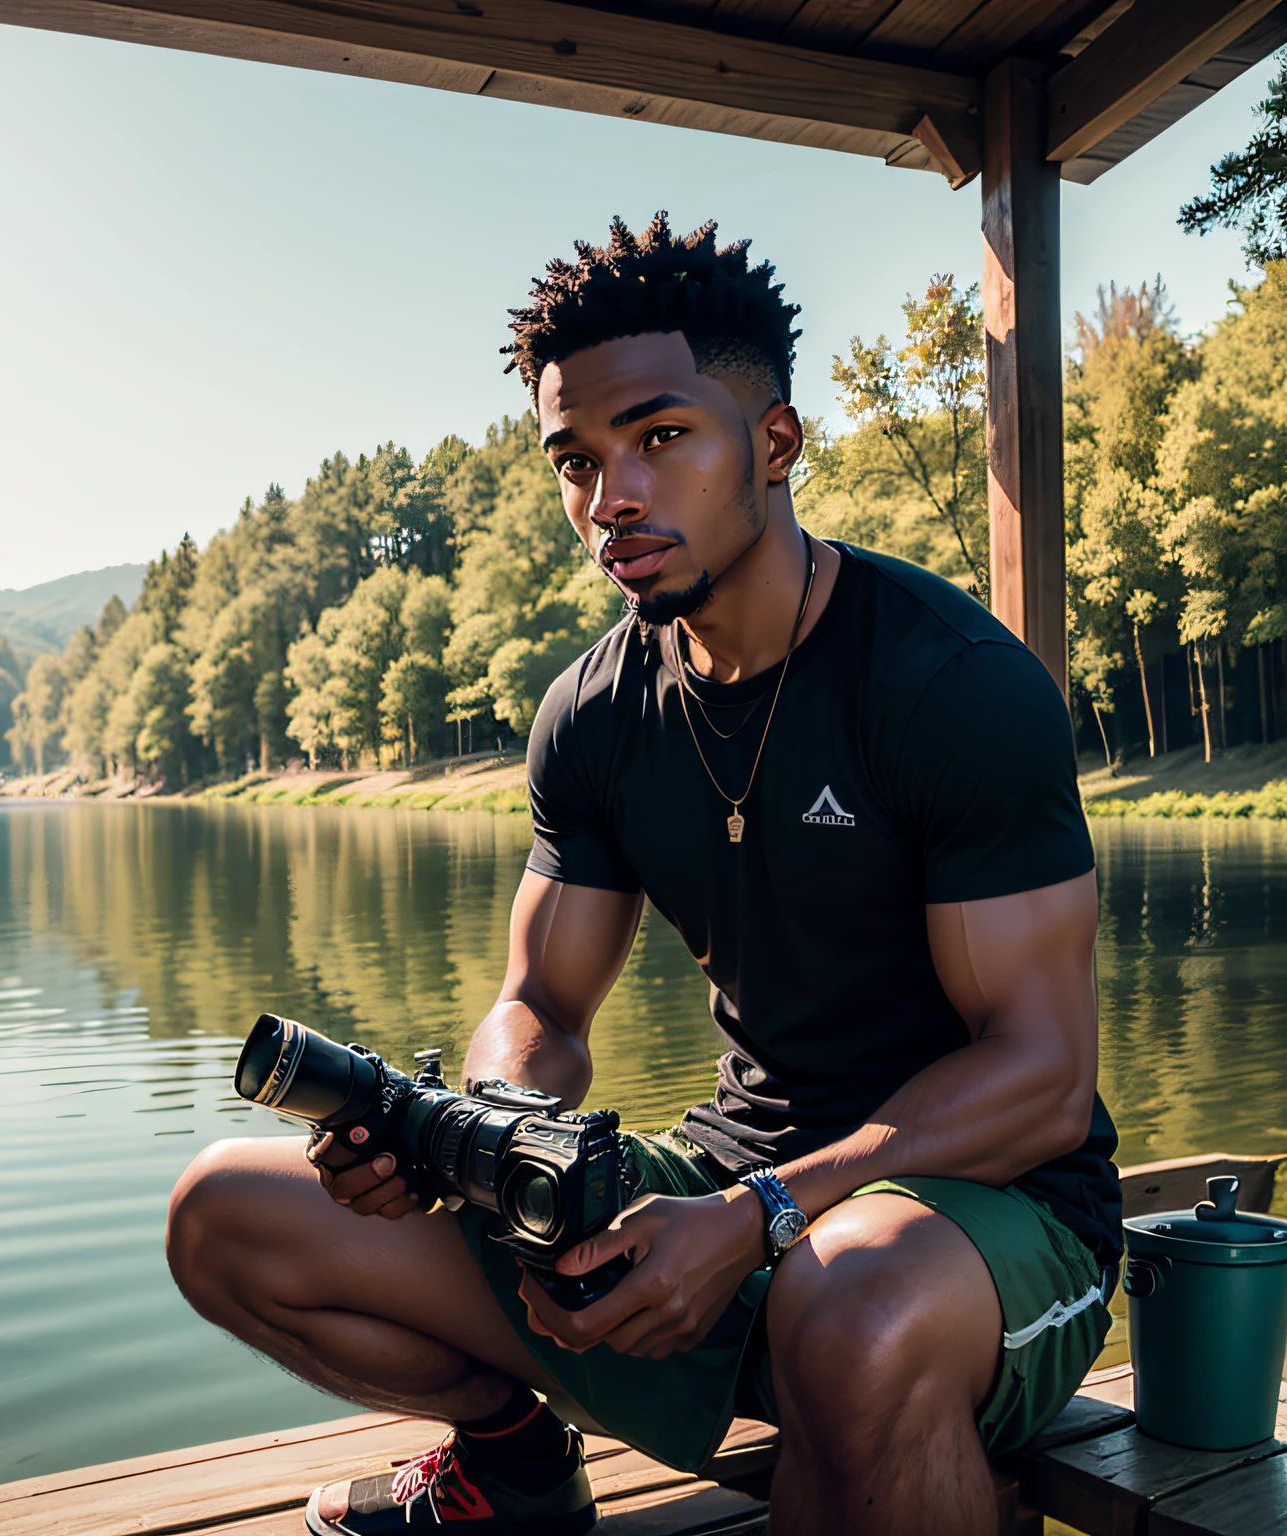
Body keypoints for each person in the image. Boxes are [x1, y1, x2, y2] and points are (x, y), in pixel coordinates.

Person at [166, 214, 1122, 1536]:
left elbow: (1042, 1078)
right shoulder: (594, 714)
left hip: (981, 1217)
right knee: (224, 1215)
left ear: (774, 446)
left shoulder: (949, 686)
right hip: (733, 1187)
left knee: (850, 1309)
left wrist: (763, 1214)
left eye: (659, 439)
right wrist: (481, 1138)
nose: (609, 497)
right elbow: (542, 1011)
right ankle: (511, 1458)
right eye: (578, 458)